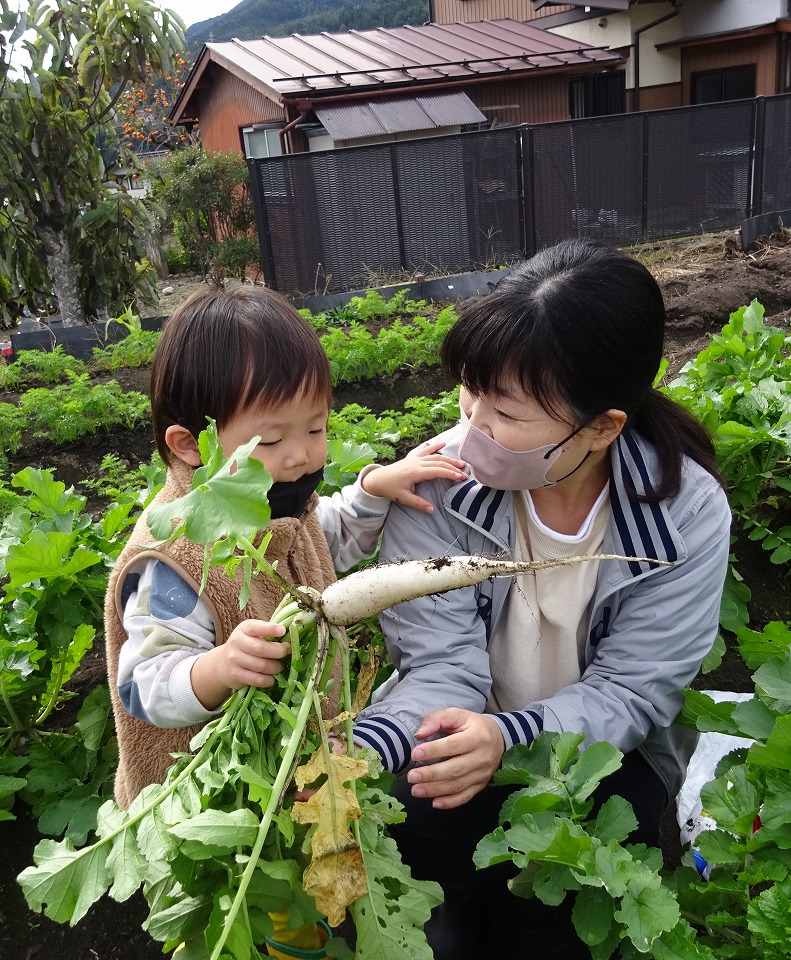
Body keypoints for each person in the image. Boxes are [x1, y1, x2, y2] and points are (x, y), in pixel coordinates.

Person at [350, 238, 732, 958]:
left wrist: (508, 737)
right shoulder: (434, 487)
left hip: (606, 753)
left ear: (602, 427)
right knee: (418, 851)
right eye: (471, 393)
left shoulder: (685, 515)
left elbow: (630, 692)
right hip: (455, 728)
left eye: (506, 412)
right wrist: (358, 754)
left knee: (582, 884)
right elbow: (437, 666)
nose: (472, 428)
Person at [104, 284, 466, 810]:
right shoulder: (175, 558)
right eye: (271, 441)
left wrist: (372, 490)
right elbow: (144, 685)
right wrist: (219, 669)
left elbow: (320, 541)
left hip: (295, 778)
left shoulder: (280, 502)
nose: (300, 455)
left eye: (316, 428)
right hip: (206, 811)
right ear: (190, 445)